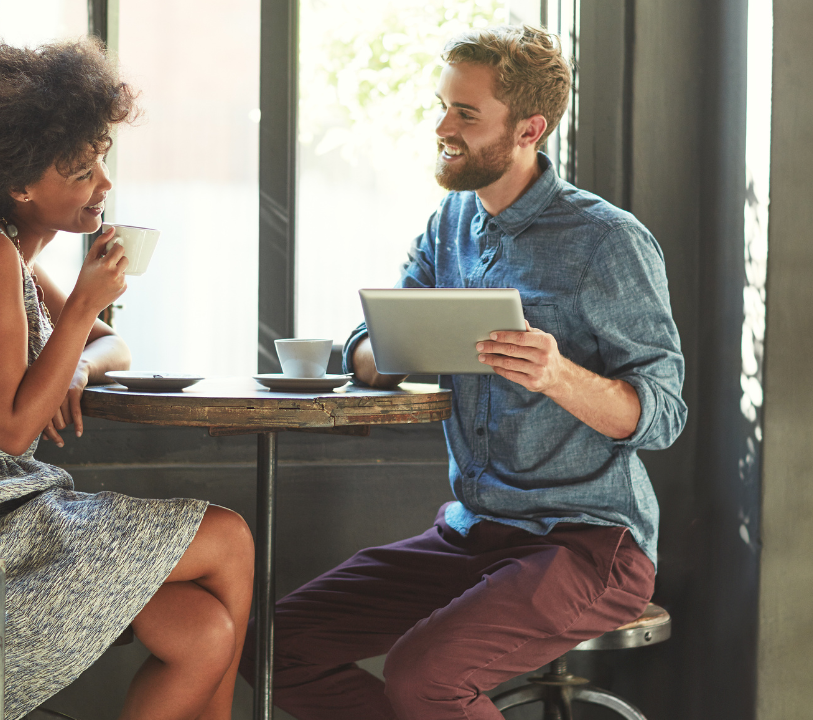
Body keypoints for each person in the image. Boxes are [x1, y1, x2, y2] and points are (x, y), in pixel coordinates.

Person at [240, 25, 686, 719]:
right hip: (474, 531)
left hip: (590, 542)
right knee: (273, 646)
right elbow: (372, 338)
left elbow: (661, 414)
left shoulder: (607, 241)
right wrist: (384, 353)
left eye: (466, 114)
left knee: (423, 677)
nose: (441, 127)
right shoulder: (450, 222)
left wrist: (557, 375)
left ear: (528, 129)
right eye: (443, 106)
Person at [0, 40, 253, 720]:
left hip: (0, 507)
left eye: (100, 159)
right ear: (20, 184)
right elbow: (13, 428)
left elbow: (117, 347)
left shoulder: (11, 257)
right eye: (81, 171)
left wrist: (74, 360)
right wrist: (83, 303)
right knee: (228, 538)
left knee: (203, 633)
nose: (103, 184)